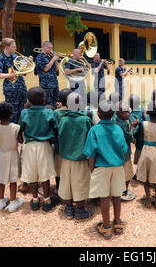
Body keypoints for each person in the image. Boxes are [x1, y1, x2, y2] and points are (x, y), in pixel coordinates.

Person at [84, 100, 128, 239]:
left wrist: (91, 169)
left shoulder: (94, 130)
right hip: (117, 167)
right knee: (116, 196)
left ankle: (107, 227)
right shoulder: (118, 129)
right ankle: (118, 223)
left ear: (98, 114)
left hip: (101, 167)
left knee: (104, 197)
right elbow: (125, 149)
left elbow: (91, 153)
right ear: (114, 113)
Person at [18, 87, 59, 212]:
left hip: (29, 146)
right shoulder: (49, 112)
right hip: (44, 146)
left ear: (28, 100)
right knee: (44, 174)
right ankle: (47, 200)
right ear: (44, 99)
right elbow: (56, 128)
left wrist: (21, 140)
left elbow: (20, 130)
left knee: (32, 174)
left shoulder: (24, 113)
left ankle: (35, 200)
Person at [58, 93, 94, 221]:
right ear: (80, 105)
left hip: (66, 157)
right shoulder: (85, 120)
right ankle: (79, 209)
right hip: (81, 157)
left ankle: (68, 208)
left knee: (67, 181)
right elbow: (91, 138)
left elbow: (60, 137)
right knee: (81, 182)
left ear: (66, 104)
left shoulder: (63, 119)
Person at [0, 102, 24, 212]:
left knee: (1, 179)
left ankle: (1, 201)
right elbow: (21, 141)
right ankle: (13, 201)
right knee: (13, 179)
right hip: (12, 154)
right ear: (11, 114)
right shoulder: (16, 127)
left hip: (0, 154)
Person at [0, 38, 29, 124]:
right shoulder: (0, 58)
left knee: (23, 110)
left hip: (21, 87)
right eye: (14, 46)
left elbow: (23, 72)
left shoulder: (16, 57)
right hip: (10, 89)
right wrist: (10, 75)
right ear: (6, 47)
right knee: (12, 111)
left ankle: (21, 130)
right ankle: (13, 130)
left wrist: (27, 63)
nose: (15, 48)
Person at [114, 102, 137, 202]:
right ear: (118, 113)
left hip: (116, 153)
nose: (128, 114)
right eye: (125, 112)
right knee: (127, 173)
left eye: (128, 111)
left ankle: (118, 190)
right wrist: (133, 127)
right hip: (125, 153)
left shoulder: (116, 120)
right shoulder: (122, 124)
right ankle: (124, 191)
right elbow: (130, 137)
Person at [36, 41, 60, 107]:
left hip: (54, 84)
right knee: (48, 105)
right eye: (50, 48)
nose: (51, 50)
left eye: (51, 48)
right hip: (46, 86)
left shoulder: (50, 57)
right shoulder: (39, 57)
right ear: (44, 47)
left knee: (55, 104)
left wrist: (56, 60)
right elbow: (45, 69)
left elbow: (57, 70)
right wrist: (53, 59)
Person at [129, 94, 144, 166]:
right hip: (147, 138)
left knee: (139, 160)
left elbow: (135, 131)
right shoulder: (143, 110)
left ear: (130, 105)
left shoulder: (132, 116)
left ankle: (139, 174)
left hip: (139, 140)